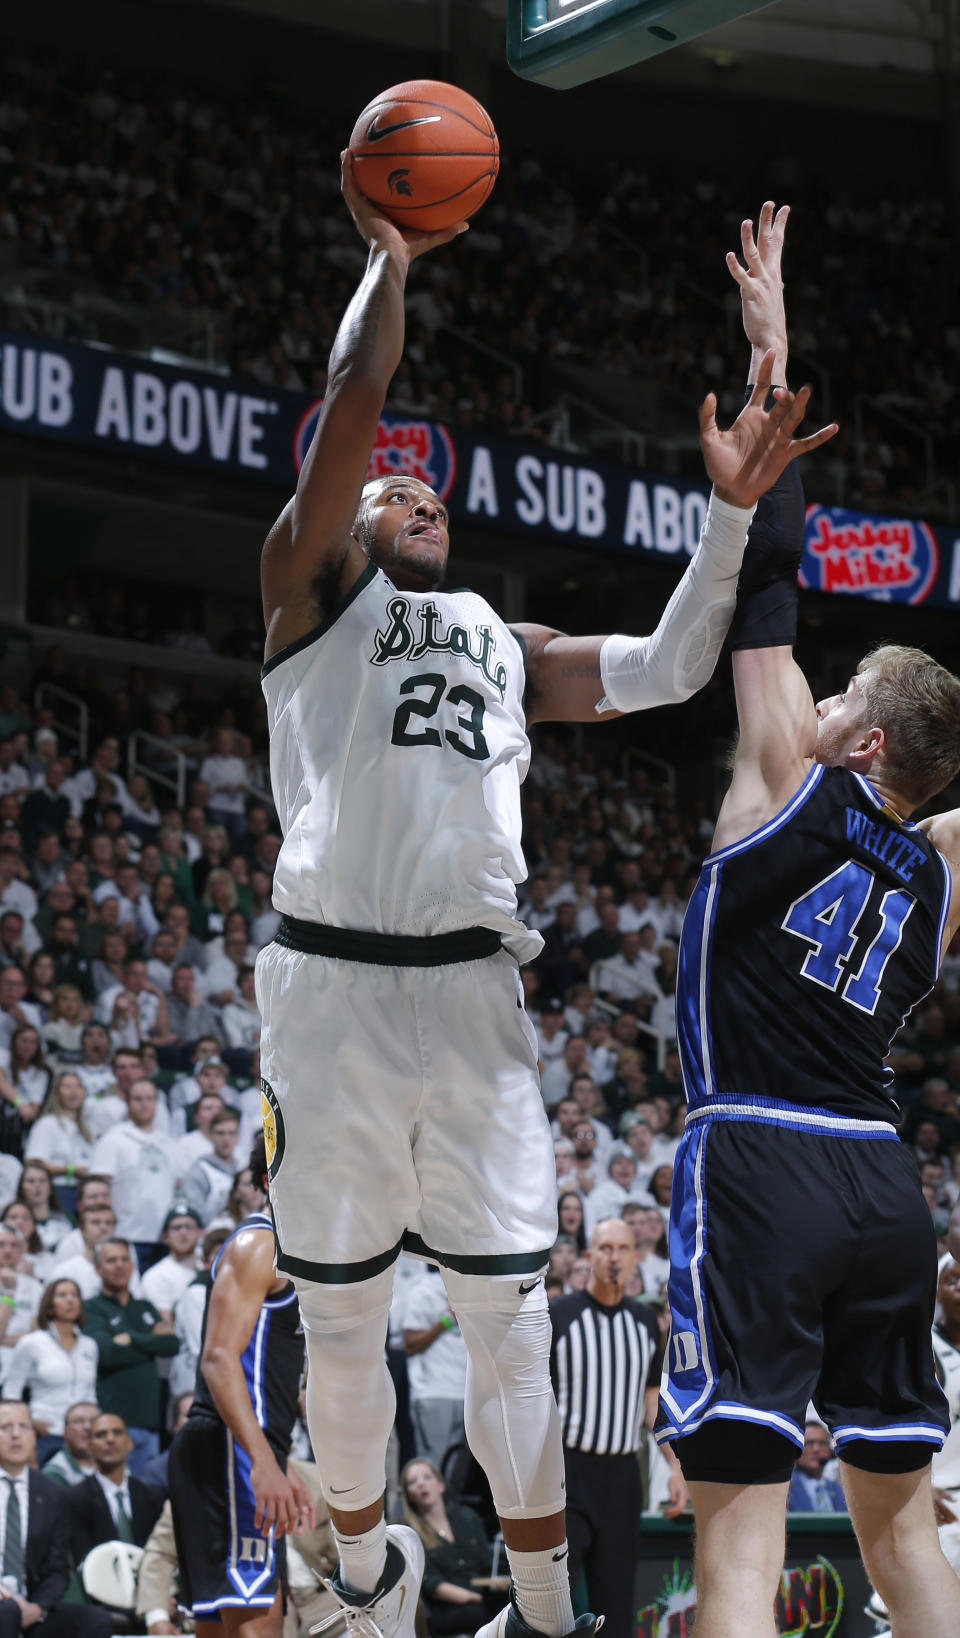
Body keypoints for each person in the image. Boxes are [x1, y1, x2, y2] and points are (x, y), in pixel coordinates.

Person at [254, 153, 832, 1638]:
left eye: (424, 485)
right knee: (341, 1311)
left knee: (513, 1307)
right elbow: (357, 414)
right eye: (392, 484)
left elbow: (666, 668)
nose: (411, 486)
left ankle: (541, 1604)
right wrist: (394, 261)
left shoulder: (504, 638)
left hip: (473, 993)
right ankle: (372, 1587)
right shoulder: (309, 593)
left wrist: (724, 519)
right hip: (329, 986)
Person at [655, 204, 960, 1638]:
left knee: (737, 1550)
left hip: (764, 1162)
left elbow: (762, 574)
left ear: (863, 730)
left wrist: (772, 346)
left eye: (843, 685)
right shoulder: (942, 872)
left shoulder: (790, 767)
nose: (815, 686)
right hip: (887, 1189)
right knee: (907, 1542)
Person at [168, 1133, 315, 1635]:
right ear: (275, 1176)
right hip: (231, 1448)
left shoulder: (295, 1251)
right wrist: (260, 1458)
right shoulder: (260, 1244)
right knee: (257, 1623)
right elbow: (217, 1360)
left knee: (223, 1624)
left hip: (241, 1447)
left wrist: (275, 1457)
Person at [550, 1219, 685, 1633]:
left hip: (624, 1476)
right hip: (568, 1474)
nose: (613, 1256)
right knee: (554, 1599)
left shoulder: (646, 1321)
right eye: (605, 1248)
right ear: (589, 1257)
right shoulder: (560, 1314)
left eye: (622, 1248)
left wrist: (676, 1465)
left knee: (617, 1602)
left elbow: (651, 1403)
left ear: (634, 1258)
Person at [0, 1398, 112, 1636]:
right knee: (7, 1612)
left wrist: (38, 1608)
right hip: (4, 1605)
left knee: (96, 1621)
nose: (16, 1435)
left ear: (34, 1436)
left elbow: (57, 1567)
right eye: (5, 1427)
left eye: (23, 1427)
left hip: (28, 1604)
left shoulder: (52, 1493)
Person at [83, 1238, 178, 1477]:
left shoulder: (144, 1307)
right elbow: (105, 1354)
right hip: (114, 1424)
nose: (119, 1265)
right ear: (97, 1268)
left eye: (124, 1259)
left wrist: (132, 1338)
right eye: (111, 1260)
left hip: (150, 1423)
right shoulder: (92, 1308)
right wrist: (150, 1342)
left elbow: (171, 1344)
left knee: (146, 1499)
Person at [66, 1410, 165, 1624]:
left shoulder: (154, 1496)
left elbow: (162, 1557)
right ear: (89, 1446)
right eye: (101, 1435)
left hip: (154, 1596)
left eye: (117, 1433)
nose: (110, 1439)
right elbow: (85, 1564)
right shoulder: (74, 1499)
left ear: (130, 1443)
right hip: (102, 1602)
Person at [0, 1278, 98, 1462]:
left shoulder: (89, 1345)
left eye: (74, 1295)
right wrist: (29, 1422)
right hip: (48, 1433)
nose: (70, 1300)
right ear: (49, 1305)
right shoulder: (32, 1343)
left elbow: (90, 1394)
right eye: (62, 1295)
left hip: (84, 1437)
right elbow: (11, 1390)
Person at [401, 1458, 501, 1633]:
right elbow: (434, 1586)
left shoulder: (467, 1517)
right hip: (447, 1609)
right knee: (487, 1614)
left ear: (440, 1485)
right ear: (409, 1495)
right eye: (413, 1482)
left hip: (482, 1597)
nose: (421, 1484)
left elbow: (486, 1565)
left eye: (427, 1477)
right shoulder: (412, 1535)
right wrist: (476, 1598)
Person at [785, 1424, 847, 1513]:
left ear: (830, 1450)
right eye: (809, 1443)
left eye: (822, 1443)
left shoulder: (841, 1490)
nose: (816, 1449)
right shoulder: (785, 1488)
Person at [41, 1398, 100, 1488]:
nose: (87, 1427)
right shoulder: (54, 1474)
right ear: (65, 1432)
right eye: (79, 1421)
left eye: (94, 1422)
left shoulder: (117, 1464)